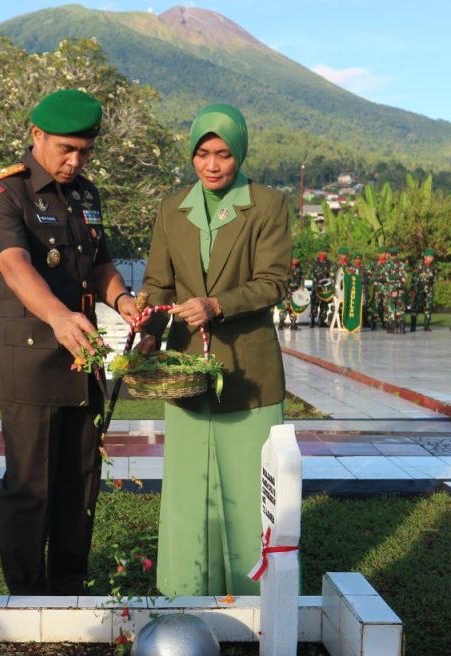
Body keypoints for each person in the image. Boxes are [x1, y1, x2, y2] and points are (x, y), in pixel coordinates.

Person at [0, 88, 138, 595]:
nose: (74, 161)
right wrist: (59, 316)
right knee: (31, 488)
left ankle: (69, 586)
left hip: (82, 361)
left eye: (84, 151)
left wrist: (125, 301)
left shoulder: (88, 195)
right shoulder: (4, 194)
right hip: (31, 363)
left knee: (80, 482)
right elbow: (13, 264)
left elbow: (101, 264)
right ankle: (25, 595)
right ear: (36, 135)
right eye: (65, 149)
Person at [138, 103, 290, 597]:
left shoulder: (266, 205)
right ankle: (186, 588)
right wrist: (147, 333)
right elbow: (159, 283)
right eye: (202, 153)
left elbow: (273, 282)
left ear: (239, 154)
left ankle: (255, 597)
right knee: (188, 489)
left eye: (223, 154)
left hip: (248, 370)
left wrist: (217, 305)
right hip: (185, 371)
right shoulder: (171, 208)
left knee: (251, 493)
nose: (211, 164)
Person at [408, 248, 438, 331]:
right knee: (416, 307)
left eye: (432, 257)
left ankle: (426, 325)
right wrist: (412, 290)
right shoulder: (419, 266)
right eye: (429, 257)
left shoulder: (434, 267)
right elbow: (414, 278)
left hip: (429, 289)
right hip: (419, 289)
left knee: (428, 307)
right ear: (425, 257)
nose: (431, 258)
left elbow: (435, 278)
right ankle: (413, 326)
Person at [309, 250, 333, 327]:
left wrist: (330, 280)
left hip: (326, 287)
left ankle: (321, 321)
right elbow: (310, 274)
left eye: (326, 252)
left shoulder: (329, 263)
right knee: (314, 304)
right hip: (316, 286)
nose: (324, 253)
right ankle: (312, 321)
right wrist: (316, 281)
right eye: (323, 252)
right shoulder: (315, 263)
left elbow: (331, 274)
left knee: (324, 304)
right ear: (319, 253)